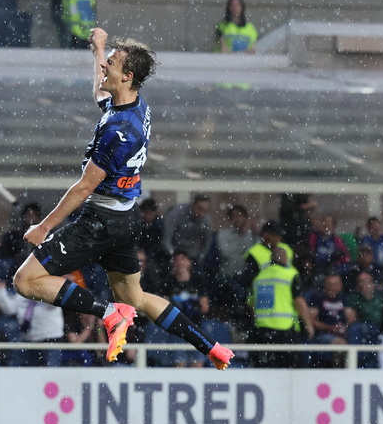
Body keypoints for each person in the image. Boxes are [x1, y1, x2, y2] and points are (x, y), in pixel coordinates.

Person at [12, 28, 233, 370]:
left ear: (127, 75)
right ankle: (211, 347)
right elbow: (100, 94)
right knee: (137, 299)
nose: (104, 67)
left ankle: (108, 313)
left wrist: (44, 226)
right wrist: (98, 49)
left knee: (25, 281)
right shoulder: (135, 107)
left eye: (111, 63)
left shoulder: (118, 131)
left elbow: (85, 187)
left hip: (99, 222)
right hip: (124, 219)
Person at [249, 247, 314, 368]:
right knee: (289, 368)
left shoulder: (259, 277)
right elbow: (299, 301)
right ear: (285, 259)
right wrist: (308, 324)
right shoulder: (289, 275)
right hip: (285, 329)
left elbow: (252, 303)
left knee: (266, 367)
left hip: (262, 330)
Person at [162, 194, 212, 265]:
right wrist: (177, 257)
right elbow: (166, 240)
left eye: (205, 210)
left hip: (192, 256)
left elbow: (207, 244)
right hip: (172, 254)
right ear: (193, 205)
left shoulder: (206, 219)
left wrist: (199, 259)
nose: (202, 214)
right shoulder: (176, 214)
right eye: (200, 209)